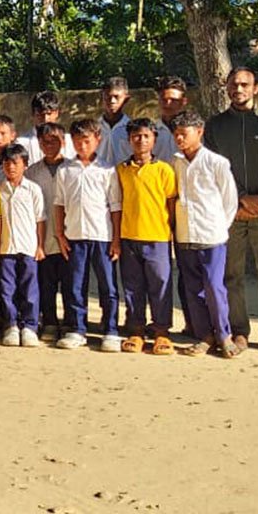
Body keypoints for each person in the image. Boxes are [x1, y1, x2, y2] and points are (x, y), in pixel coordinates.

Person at [205, 67, 258, 351]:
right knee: (231, 274)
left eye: (244, 84)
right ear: (226, 88)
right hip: (230, 212)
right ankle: (239, 329)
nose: (238, 89)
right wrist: (239, 199)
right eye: (233, 85)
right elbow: (211, 171)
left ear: (255, 88)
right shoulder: (214, 127)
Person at [170, 111, 242, 357]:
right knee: (192, 288)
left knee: (214, 286)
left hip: (212, 236)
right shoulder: (175, 162)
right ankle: (204, 335)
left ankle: (224, 334)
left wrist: (220, 228)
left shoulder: (217, 163)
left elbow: (229, 200)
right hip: (184, 235)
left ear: (199, 132)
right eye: (176, 134)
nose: (179, 138)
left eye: (184, 133)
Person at [52, 118, 122, 351]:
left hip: (102, 236)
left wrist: (115, 240)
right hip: (75, 236)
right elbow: (59, 203)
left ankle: (110, 329)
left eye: (87, 141)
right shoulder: (65, 170)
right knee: (74, 285)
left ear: (97, 140)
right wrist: (60, 235)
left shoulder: (107, 169)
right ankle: (76, 329)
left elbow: (115, 206)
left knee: (108, 285)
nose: (82, 146)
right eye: (77, 141)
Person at [114, 119, 177, 355]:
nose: (141, 141)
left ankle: (161, 331)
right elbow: (117, 204)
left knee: (160, 284)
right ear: (129, 140)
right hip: (129, 236)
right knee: (132, 286)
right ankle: (136, 329)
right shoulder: (121, 170)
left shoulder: (164, 170)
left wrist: (169, 231)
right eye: (136, 137)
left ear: (154, 140)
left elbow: (171, 204)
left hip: (157, 237)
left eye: (146, 136)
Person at [0, 144, 45, 347]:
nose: (11, 167)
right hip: (6, 248)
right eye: (7, 163)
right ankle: (11, 325)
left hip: (28, 247)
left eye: (15, 163)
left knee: (29, 289)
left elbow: (40, 219)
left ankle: (30, 326)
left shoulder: (33, 189)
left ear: (25, 165)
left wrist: (40, 245)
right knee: (7, 289)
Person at [28, 124, 73, 343]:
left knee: (70, 283)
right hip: (43, 239)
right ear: (39, 144)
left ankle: (71, 322)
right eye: (44, 141)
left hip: (69, 236)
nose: (49, 145)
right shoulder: (32, 172)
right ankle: (50, 322)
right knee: (46, 283)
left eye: (54, 140)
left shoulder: (72, 168)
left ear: (63, 142)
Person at [15, 91, 73, 161]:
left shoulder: (70, 141)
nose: (45, 119)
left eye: (49, 114)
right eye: (40, 115)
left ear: (56, 113)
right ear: (33, 114)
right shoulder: (22, 143)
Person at [151, 77, 191, 164]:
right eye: (164, 100)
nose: (168, 104)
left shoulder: (194, 132)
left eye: (174, 100)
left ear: (184, 101)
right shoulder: (151, 132)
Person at [96, 77, 133, 167]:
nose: (112, 101)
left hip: (124, 177)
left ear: (126, 99)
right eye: (108, 97)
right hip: (99, 177)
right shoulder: (95, 128)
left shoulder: (131, 128)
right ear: (102, 98)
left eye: (117, 97)